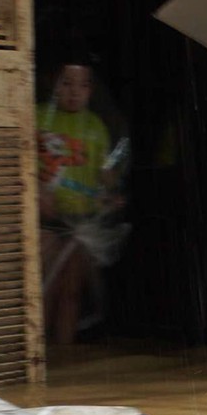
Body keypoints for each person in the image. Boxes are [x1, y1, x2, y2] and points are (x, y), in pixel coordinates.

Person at [37, 61, 126, 345]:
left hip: (80, 225)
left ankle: (65, 360)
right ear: (53, 84)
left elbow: (104, 172)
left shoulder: (95, 126)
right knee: (42, 291)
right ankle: (40, 359)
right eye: (66, 83)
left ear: (90, 90)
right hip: (45, 224)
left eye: (82, 85)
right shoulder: (38, 118)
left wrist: (112, 193)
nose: (74, 92)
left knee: (71, 292)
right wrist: (36, 191)